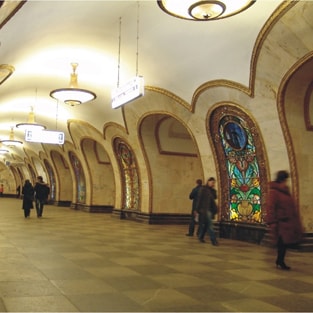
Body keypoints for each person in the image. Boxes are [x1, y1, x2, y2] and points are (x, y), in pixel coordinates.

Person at [266, 170, 303, 270]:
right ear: (282, 179)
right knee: (282, 243)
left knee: (283, 243)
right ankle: (280, 261)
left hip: (288, 223)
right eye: (286, 179)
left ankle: (280, 261)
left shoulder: (285, 191)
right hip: (280, 223)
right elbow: (270, 207)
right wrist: (272, 222)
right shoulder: (274, 192)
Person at [196, 177, 218, 246]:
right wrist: (197, 210)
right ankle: (213, 240)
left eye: (214, 183)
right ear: (208, 182)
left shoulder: (213, 191)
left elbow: (214, 198)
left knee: (206, 224)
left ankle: (201, 236)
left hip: (210, 210)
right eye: (211, 182)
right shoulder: (203, 189)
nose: (212, 184)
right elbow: (199, 200)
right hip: (204, 209)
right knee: (210, 225)